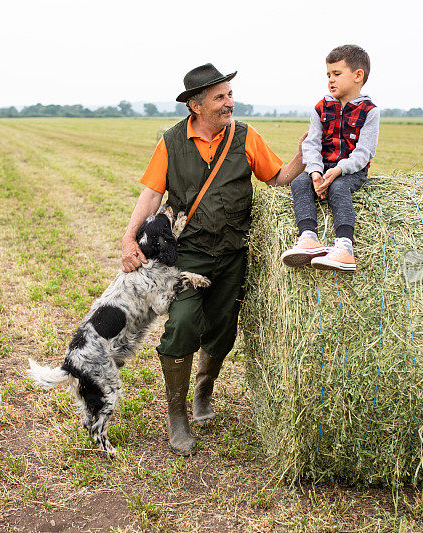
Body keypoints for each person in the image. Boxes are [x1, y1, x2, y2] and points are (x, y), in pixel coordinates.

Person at [120, 63, 304, 456]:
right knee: (183, 323)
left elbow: (276, 177)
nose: (229, 103)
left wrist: (306, 155)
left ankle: (204, 388)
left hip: (235, 251)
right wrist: (128, 239)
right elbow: (151, 195)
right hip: (187, 255)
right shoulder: (171, 142)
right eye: (220, 97)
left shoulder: (245, 136)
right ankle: (177, 417)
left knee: (223, 328)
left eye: (230, 95)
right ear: (195, 104)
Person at [280, 44, 380, 272]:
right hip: (323, 165)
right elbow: (312, 143)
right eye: (328, 75)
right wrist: (315, 171)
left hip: (351, 170)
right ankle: (309, 238)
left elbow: (364, 153)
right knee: (299, 183)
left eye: (336, 74)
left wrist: (339, 170)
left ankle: (345, 246)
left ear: (358, 75)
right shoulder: (320, 107)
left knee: (338, 188)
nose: (330, 80)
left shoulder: (370, 111)